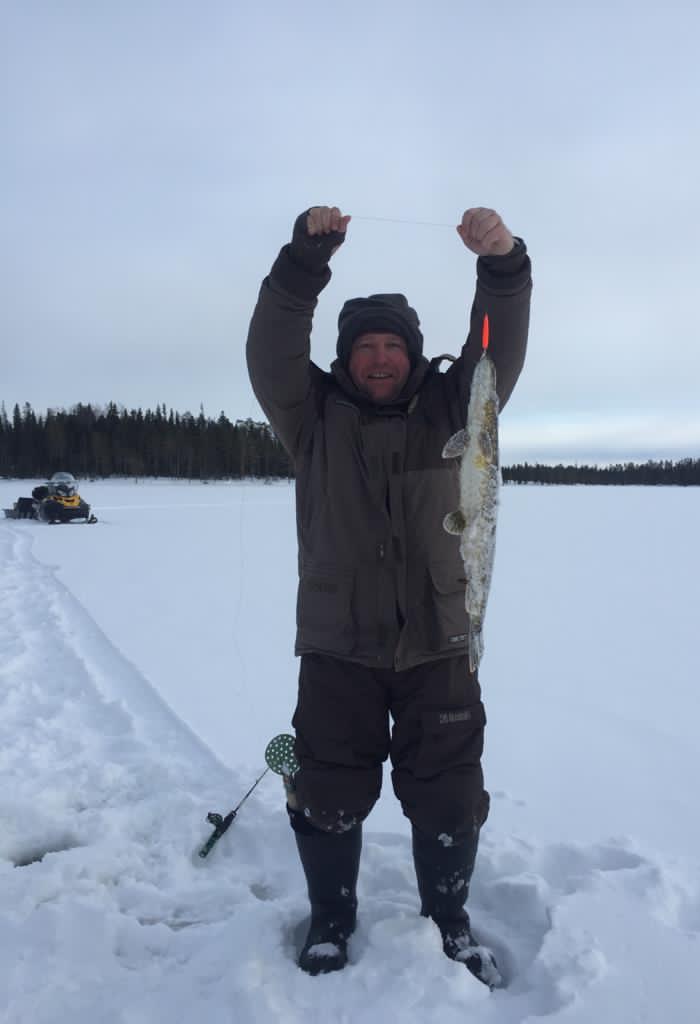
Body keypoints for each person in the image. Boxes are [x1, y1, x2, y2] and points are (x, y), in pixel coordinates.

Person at [246, 206, 532, 983]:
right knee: (326, 790)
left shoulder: (454, 407)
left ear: (411, 353)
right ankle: (332, 918)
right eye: (365, 347)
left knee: (450, 795)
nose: (379, 358)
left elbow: (495, 348)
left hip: (441, 642)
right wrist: (303, 264)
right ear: (345, 358)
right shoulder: (311, 417)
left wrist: (502, 267)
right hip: (338, 643)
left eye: (392, 346)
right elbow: (272, 350)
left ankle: (449, 920)